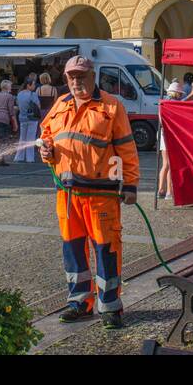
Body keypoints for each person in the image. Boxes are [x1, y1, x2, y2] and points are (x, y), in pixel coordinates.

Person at [40, 55, 140, 329]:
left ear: (92, 76)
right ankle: (79, 302)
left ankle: (110, 306)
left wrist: (130, 184)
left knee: (106, 249)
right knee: (73, 250)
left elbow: (126, 148)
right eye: (72, 77)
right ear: (66, 79)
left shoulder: (111, 106)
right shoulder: (60, 105)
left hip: (101, 195)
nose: (76, 81)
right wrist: (45, 150)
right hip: (68, 195)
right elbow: (46, 134)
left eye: (81, 76)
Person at [157, 82, 185, 200]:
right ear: (176, 93)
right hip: (167, 135)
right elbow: (182, 104)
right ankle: (167, 191)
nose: (180, 95)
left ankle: (162, 190)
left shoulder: (163, 102)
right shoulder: (170, 103)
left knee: (166, 164)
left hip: (163, 134)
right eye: (179, 93)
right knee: (168, 164)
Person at [0, 79, 18, 165]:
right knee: (3, 139)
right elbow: (11, 112)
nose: (11, 88)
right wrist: (15, 124)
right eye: (11, 86)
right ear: (8, 87)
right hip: (3, 119)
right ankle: (1, 160)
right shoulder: (10, 97)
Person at [15, 76, 43, 162]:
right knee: (30, 138)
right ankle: (30, 158)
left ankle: (19, 157)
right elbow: (38, 106)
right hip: (32, 118)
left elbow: (18, 105)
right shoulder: (33, 95)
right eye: (33, 84)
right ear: (28, 85)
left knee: (22, 138)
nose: (34, 86)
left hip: (22, 118)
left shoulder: (19, 94)